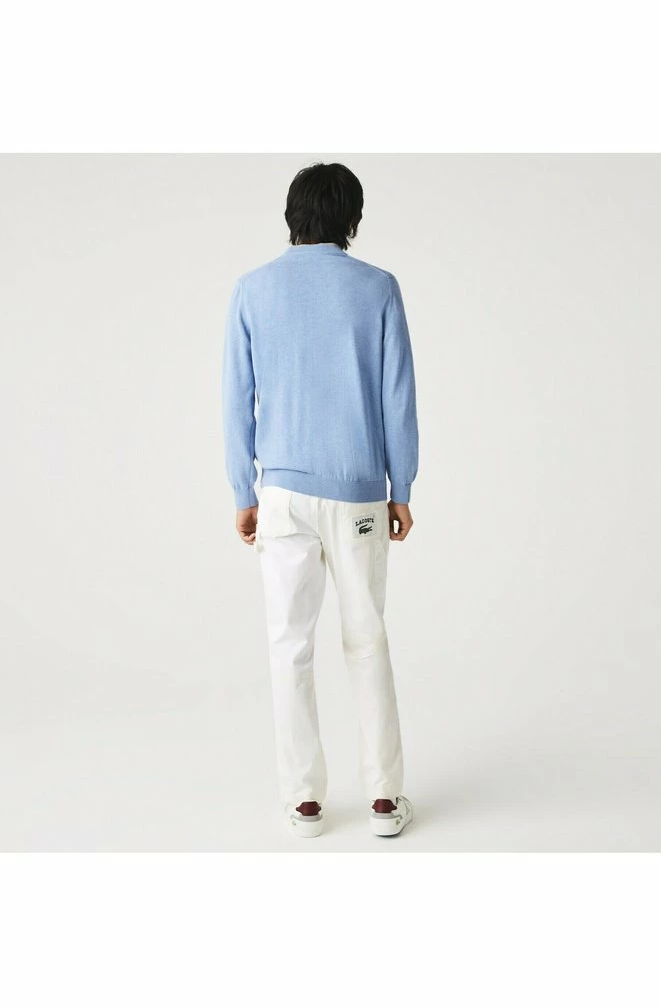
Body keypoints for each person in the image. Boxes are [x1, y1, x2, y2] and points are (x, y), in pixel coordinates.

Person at [222, 162, 419, 838]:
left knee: (289, 646)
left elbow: (235, 400)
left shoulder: (253, 289)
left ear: (292, 215)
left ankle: (304, 802)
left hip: (280, 494)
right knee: (366, 640)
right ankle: (385, 800)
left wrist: (243, 489)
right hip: (359, 493)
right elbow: (398, 395)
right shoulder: (378, 288)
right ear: (351, 219)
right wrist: (401, 486)